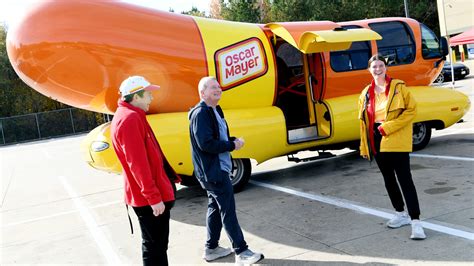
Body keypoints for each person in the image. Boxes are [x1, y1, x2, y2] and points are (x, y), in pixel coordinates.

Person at [188, 76, 264, 264]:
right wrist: (231, 145)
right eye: (213, 87)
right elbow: (206, 143)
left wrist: (232, 139)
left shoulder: (215, 110)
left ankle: (211, 249)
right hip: (213, 171)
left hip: (217, 169)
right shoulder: (201, 114)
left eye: (219, 86)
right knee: (227, 210)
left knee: (215, 207)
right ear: (202, 93)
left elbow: (217, 136)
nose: (218, 89)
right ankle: (242, 251)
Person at [111, 76, 181, 265]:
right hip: (147, 199)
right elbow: (138, 164)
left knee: (156, 246)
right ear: (135, 96)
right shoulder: (129, 119)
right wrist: (153, 197)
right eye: (148, 93)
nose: (151, 97)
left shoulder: (131, 116)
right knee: (154, 248)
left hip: (146, 196)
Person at [358, 54, 426, 240]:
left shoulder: (398, 87)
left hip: (394, 135)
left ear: (386, 68)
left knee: (405, 179)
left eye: (381, 65)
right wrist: (365, 144)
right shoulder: (365, 93)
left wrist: (387, 127)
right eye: (374, 66)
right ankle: (400, 213)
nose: (378, 69)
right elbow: (363, 122)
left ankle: (416, 222)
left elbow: (411, 111)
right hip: (375, 138)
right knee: (388, 179)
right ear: (369, 70)